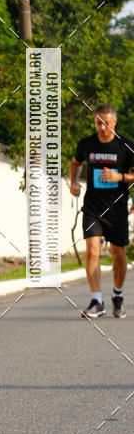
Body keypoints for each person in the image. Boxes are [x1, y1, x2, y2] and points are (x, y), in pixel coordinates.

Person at [70, 104, 134, 319]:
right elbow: (75, 163)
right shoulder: (86, 143)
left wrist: (120, 178)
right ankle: (97, 300)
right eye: (99, 122)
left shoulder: (125, 145)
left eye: (107, 122)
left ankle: (117, 295)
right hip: (93, 207)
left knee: (119, 255)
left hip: (117, 209)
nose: (103, 126)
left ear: (114, 121)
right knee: (92, 251)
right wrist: (74, 182)